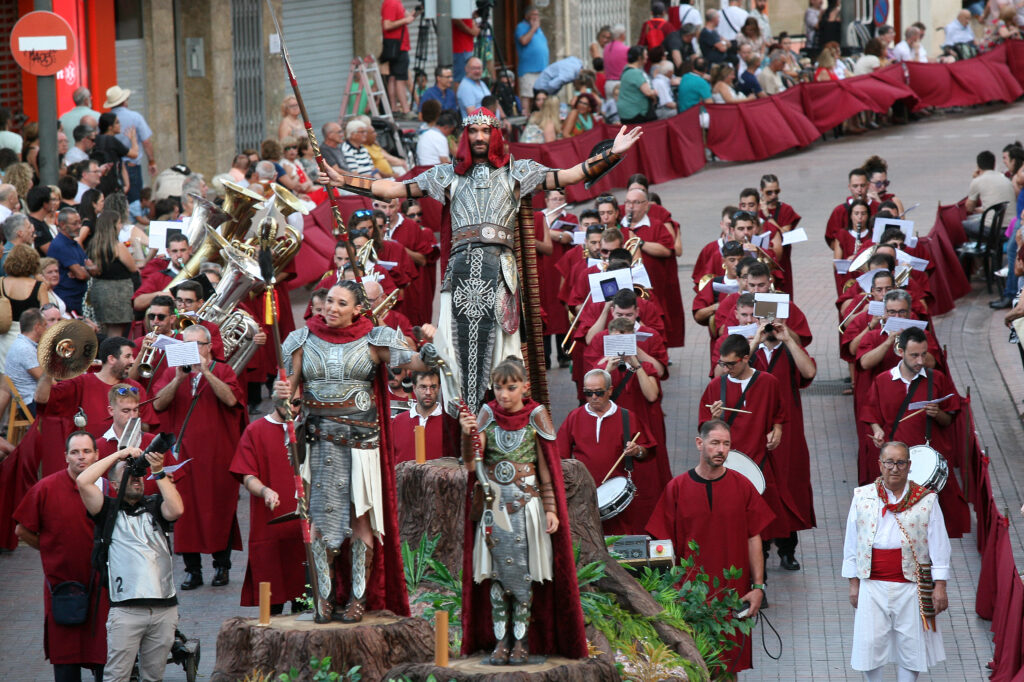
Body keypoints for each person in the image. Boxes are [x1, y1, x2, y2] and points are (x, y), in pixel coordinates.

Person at [321, 109, 642, 418]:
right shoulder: (446, 175)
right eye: (473, 131)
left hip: (500, 272)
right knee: (455, 357)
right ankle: (466, 424)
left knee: (505, 352)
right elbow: (393, 189)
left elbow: (569, 175)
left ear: (496, 134)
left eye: (485, 131)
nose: (478, 137)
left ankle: (506, 419)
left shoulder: (519, 171)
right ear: (464, 135)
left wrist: (612, 153)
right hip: (458, 275)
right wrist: (341, 179)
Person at [273, 280, 434, 622]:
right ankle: (325, 597)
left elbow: (413, 363)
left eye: (341, 303)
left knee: (361, 517)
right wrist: (280, 394)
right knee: (319, 519)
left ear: (357, 309)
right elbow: (286, 397)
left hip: (361, 442)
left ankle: (358, 598)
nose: (331, 308)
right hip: (318, 440)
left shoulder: (375, 338)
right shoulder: (300, 341)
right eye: (329, 301)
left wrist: (429, 348)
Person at [458, 358, 586, 663]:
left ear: (525, 387)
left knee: (523, 576)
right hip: (495, 507)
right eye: (499, 387)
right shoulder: (487, 413)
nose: (503, 394)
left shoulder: (536, 415)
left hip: (527, 508)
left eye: (511, 387)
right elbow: (470, 463)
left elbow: (547, 468)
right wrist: (467, 435)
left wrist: (551, 509)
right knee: (497, 576)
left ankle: (522, 642)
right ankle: (500, 641)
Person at [646, 419, 773, 675]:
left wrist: (758, 587)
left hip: (732, 596)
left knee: (729, 667)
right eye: (715, 443)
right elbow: (663, 548)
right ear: (699, 443)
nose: (721, 450)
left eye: (726, 444)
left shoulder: (742, 486)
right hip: (689, 599)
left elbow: (754, 538)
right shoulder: (677, 488)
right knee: (692, 664)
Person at [842, 441, 950, 680]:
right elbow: (852, 541)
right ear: (880, 464)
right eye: (889, 462)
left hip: (913, 585)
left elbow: (939, 545)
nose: (894, 468)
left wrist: (940, 586)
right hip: (872, 583)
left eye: (900, 463)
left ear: (909, 466)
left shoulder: (927, 500)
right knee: (870, 643)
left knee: (911, 644)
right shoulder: (862, 496)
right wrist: (853, 583)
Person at [77, 439, 183, 682]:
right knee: (117, 677)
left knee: (153, 677)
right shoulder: (107, 510)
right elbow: (83, 481)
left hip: (164, 608)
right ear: (114, 483)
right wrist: (120, 456)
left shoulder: (155, 505)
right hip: (126, 610)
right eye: (128, 475)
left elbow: (176, 510)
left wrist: (157, 472)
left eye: (138, 475)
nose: (136, 478)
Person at [151, 324, 246, 590]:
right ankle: (193, 570)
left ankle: (221, 566)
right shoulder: (172, 372)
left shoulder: (223, 370)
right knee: (185, 512)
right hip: (183, 455)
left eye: (196, 346)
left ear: (208, 347)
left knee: (221, 508)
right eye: (185, 346)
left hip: (217, 455)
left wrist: (205, 372)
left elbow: (230, 400)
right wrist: (179, 379)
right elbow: (158, 403)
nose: (191, 351)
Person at [14, 431, 109, 682]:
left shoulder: (107, 488)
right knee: (66, 664)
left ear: (97, 455)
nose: (81, 457)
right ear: (65, 456)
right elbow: (21, 530)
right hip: (62, 588)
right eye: (75, 452)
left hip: (102, 587)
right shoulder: (45, 488)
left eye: (87, 451)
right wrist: (50, 547)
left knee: (106, 659)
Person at [747, 313, 817, 570]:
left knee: (789, 486)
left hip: (787, 432)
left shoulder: (788, 349)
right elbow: (723, 372)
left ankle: (788, 549)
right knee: (760, 488)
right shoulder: (748, 350)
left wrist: (787, 338)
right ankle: (762, 550)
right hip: (754, 431)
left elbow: (809, 372)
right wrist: (755, 340)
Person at [556, 368, 657, 534]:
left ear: (610, 390)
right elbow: (560, 456)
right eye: (588, 393)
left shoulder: (627, 417)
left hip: (617, 497)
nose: (593, 397)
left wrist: (637, 450)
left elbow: (648, 451)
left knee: (619, 544)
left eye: (599, 392)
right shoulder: (574, 417)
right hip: (583, 496)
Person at [229, 400, 307, 614]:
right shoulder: (255, 430)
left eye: (297, 402)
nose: (291, 406)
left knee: (304, 605)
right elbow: (247, 475)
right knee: (270, 610)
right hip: (269, 529)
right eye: (286, 400)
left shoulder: (309, 429)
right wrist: (265, 491)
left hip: (303, 532)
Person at [103, 86, 156, 204]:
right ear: (124, 101)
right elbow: (146, 142)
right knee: (134, 202)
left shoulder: (105, 119)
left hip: (113, 167)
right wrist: (151, 161)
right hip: (131, 165)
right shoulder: (135, 117)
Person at [0, 243, 51, 364]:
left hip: (4, 337)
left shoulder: (1, 283)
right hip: (29, 337)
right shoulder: (39, 286)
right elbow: (47, 315)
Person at [392, 368, 446, 463]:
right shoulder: (398, 421)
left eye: (433, 387)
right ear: (414, 388)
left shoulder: (449, 424)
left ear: (439, 388)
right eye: (423, 387)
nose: (428, 392)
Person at [963, 150, 1016, 240]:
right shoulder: (1005, 178)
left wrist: (976, 179)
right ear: (994, 165)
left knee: (964, 224)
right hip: (1011, 227)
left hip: (993, 229)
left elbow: (969, 208)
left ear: (978, 166)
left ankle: (981, 249)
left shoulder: (978, 181)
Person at [4, 307, 45, 416]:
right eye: (45, 325)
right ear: (37, 327)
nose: (47, 329)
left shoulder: (24, 344)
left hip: (32, 399)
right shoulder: (24, 348)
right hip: (33, 403)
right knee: (77, 404)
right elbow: (44, 379)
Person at [381, 0, 418, 116]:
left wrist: (417, 11)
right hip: (398, 46)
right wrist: (405, 20)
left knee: (392, 77)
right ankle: (405, 109)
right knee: (400, 79)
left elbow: (408, 17)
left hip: (397, 45)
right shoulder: (392, 3)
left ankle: (394, 107)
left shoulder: (397, 3)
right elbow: (387, 24)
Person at [515, 6, 549, 115]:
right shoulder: (521, 27)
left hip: (541, 69)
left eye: (537, 15)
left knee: (541, 96)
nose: (536, 17)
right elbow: (524, 41)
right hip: (529, 70)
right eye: (533, 14)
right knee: (527, 96)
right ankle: (525, 120)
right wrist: (533, 28)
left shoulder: (539, 29)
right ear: (527, 16)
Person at [618, 46, 658, 123]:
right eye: (646, 55)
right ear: (640, 58)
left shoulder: (626, 70)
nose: (647, 57)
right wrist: (655, 92)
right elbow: (648, 92)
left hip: (626, 112)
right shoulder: (635, 73)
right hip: (635, 113)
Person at [416, 100, 452, 165]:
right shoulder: (438, 137)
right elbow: (445, 163)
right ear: (438, 114)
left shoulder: (420, 132)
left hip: (422, 170)